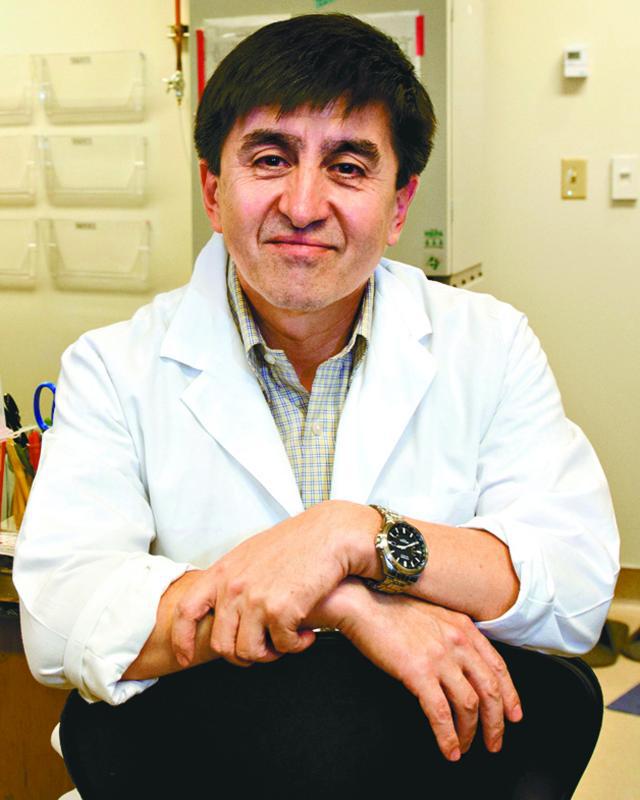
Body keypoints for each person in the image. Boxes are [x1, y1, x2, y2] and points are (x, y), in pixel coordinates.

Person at [14, 13, 618, 798]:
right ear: (213, 190)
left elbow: (574, 585)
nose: (303, 205)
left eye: (348, 166)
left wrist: (357, 535)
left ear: (399, 206)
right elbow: (59, 617)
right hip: (189, 771)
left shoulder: (489, 343)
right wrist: (344, 604)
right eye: (270, 159)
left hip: (423, 774)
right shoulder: (113, 366)